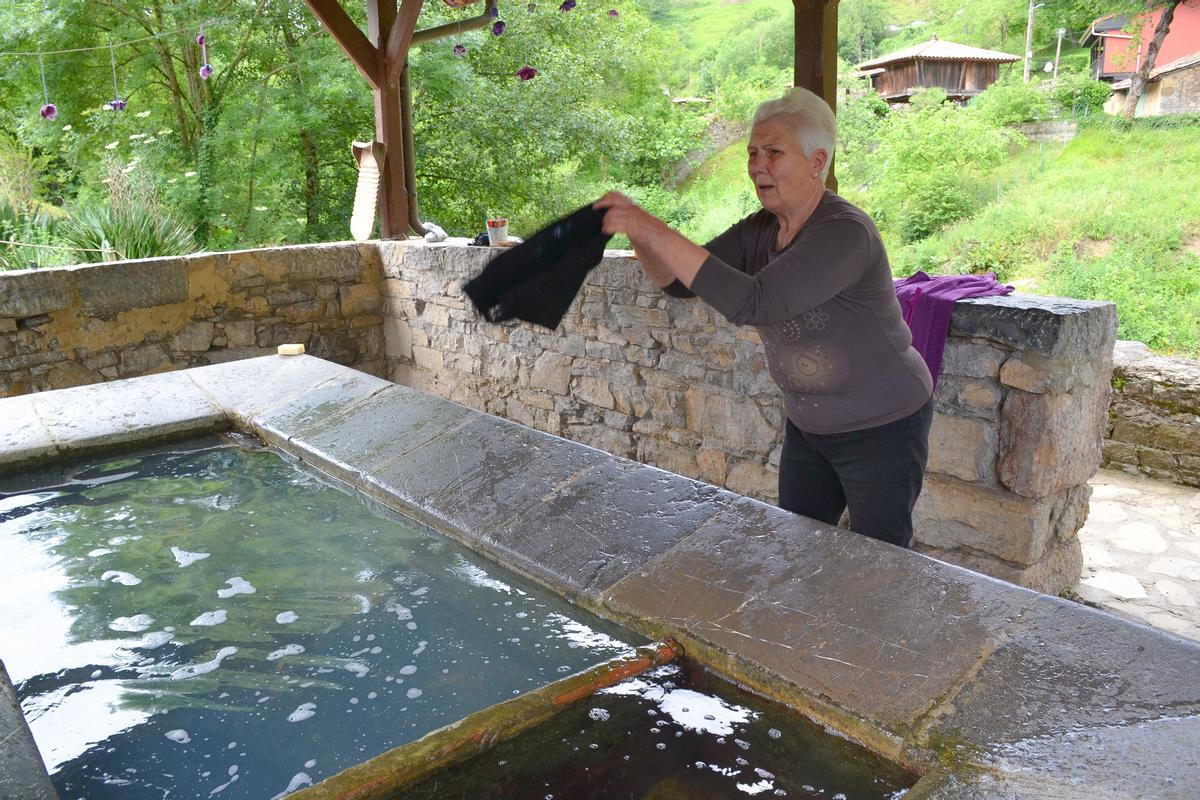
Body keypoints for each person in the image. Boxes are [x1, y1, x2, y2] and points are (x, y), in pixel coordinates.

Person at [594, 87, 933, 548]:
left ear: (817, 161)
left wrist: (651, 226)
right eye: (753, 153)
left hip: (882, 426)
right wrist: (638, 231)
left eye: (774, 153)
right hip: (809, 427)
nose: (757, 165)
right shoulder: (762, 228)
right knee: (796, 545)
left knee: (881, 558)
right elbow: (677, 283)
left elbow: (756, 302)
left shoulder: (844, 232)